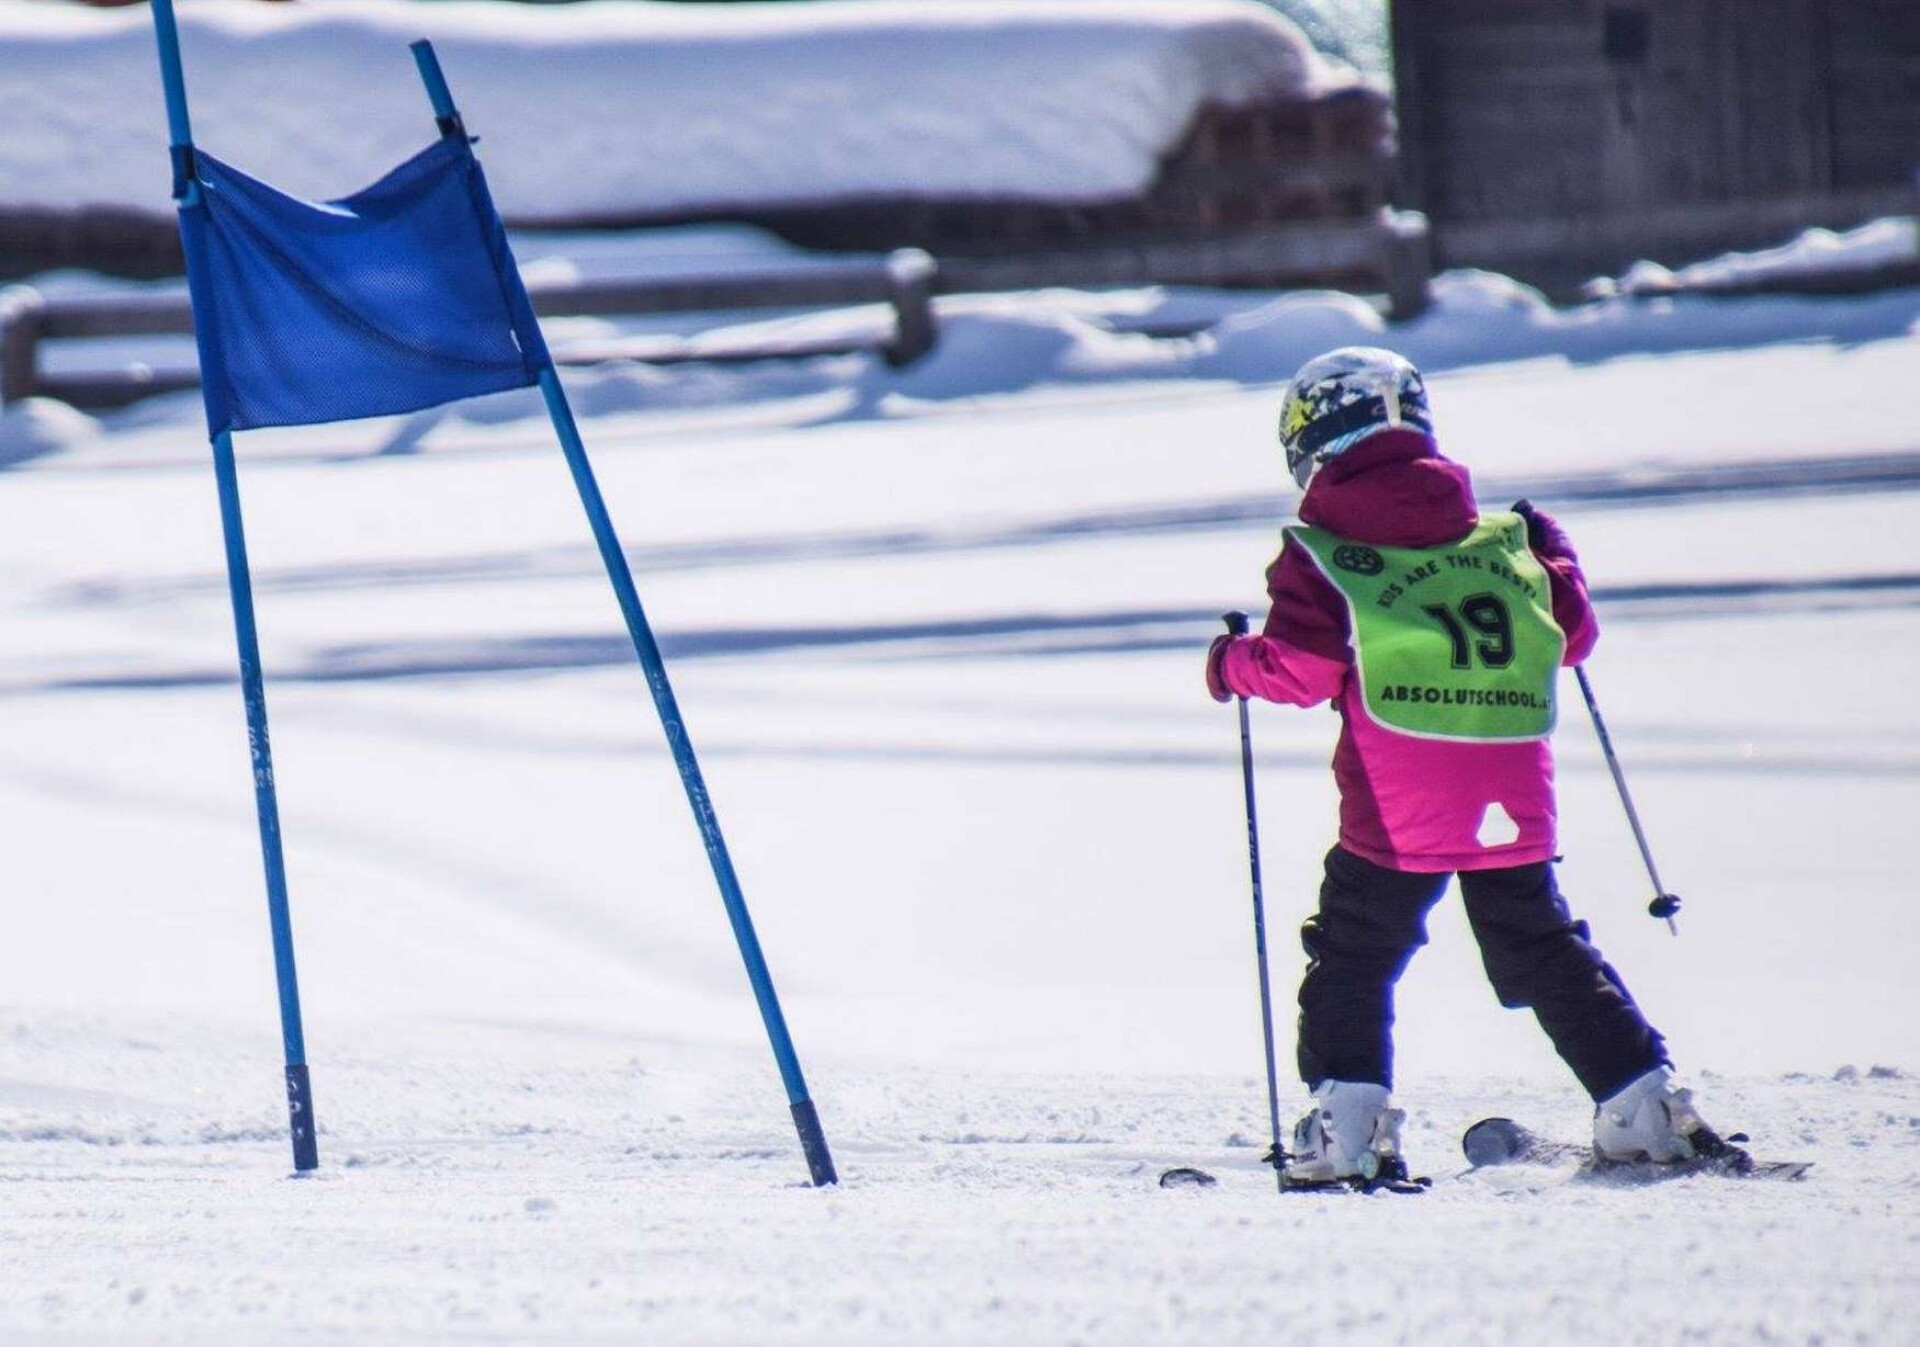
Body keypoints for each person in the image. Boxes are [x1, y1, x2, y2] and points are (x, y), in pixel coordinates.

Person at [1205, 346, 1734, 1189]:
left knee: (1354, 953)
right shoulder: (1501, 544)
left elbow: (1301, 668)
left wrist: (1233, 663)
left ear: (1311, 444)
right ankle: (1643, 1104)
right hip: (1509, 787)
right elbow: (1575, 633)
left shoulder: (1323, 552)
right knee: (1542, 948)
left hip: (1394, 800)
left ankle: (1348, 1129)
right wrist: (1552, 547)